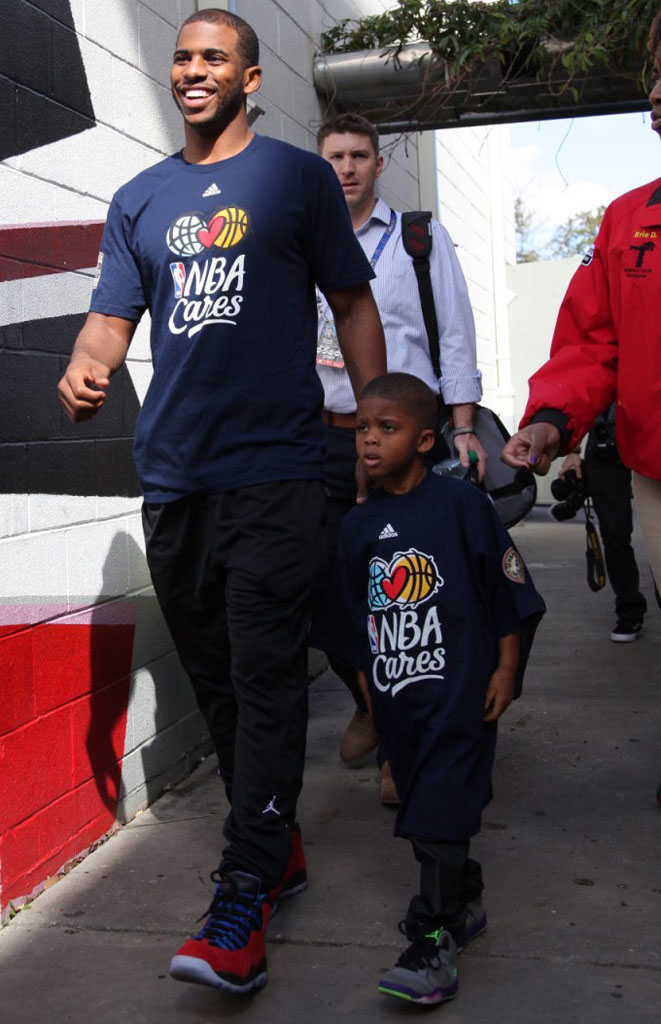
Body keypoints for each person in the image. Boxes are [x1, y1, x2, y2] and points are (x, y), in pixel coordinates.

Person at [57, 9, 386, 997]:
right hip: (176, 476)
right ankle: (273, 843)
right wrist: (83, 370)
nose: (192, 70)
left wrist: (373, 425)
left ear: (250, 78)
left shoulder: (294, 179)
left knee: (268, 669)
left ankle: (241, 893)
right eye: (182, 57)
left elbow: (353, 301)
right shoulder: (140, 197)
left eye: (213, 58)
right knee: (222, 682)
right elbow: (108, 322)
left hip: (275, 471)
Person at [316, 372, 544, 1005]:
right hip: (399, 702)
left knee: (443, 804)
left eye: (385, 429)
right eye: (362, 426)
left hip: (461, 691)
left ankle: (433, 937)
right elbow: (357, 625)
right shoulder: (359, 529)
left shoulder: (461, 505)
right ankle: (465, 897)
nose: (367, 439)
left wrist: (505, 671)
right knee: (425, 811)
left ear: (423, 441)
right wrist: (371, 698)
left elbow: (509, 592)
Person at [315, 113, 485, 785]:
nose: (347, 167)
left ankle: (402, 748)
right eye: (334, 157)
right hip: (324, 440)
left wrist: (464, 425)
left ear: (378, 165)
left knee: (410, 601)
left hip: (407, 443)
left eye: (359, 155)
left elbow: (456, 332)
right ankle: (369, 700)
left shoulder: (417, 240)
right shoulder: (303, 243)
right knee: (325, 594)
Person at [502, 10, 661, 600]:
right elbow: (592, 342)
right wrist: (549, 424)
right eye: (657, 74)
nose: (656, 93)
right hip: (653, 469)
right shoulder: (627, 220)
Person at [555, 404, 647, 642]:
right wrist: (572, 449)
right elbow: (581, 389)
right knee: (615, 534)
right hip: (605, 441)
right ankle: (629, 610)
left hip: (648, 433)